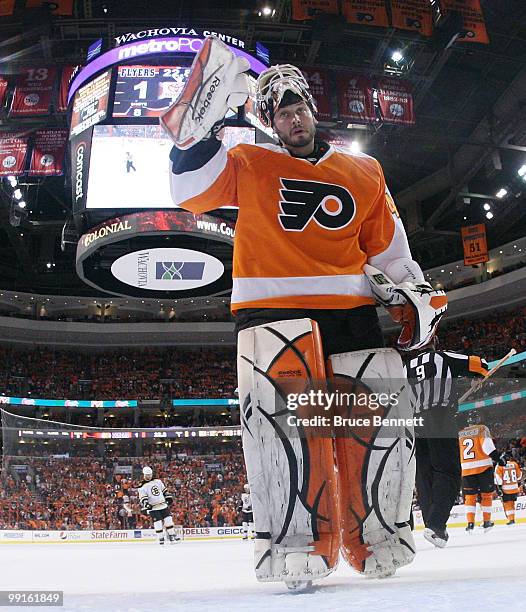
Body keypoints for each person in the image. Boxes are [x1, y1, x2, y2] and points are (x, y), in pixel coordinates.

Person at [162, 37, 447, 589]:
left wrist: (414, 294)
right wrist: (195, 139)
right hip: (270, 313)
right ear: (269, 122)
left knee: (378, 423)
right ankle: (296, 545)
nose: (294, 119)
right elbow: (189, 192)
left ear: (312, 111)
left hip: (352, 313)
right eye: (282, 112)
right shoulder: (246, 162)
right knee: (282, 432)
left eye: (299, 108)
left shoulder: (364, 171)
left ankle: (380, 534)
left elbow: (389, 248)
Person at [405, 346, 489, 548]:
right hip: (440, 416)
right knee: (448, 470)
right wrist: (476, 377)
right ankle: (436, 525)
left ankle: (430, 522)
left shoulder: (406, 366)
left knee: (425, 473)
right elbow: (481, 364)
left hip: (415, 421)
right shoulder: (441, 357)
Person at [458, 420, 505, 532]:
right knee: (486, 495)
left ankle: (470, 523)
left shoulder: (459, 433)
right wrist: (499, 459)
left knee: (470, 497)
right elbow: (487, 446)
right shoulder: (482, 428)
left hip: (466, 469)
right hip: (483, 467)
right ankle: (487, 522)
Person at [138, 466, 180, 545]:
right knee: (157, 523)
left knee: (169, 520)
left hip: (163, 505)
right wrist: (146, 504)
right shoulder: (142, 486)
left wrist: (168, 497)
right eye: (147, 475)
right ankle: (160, 538)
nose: (149, 476)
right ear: (144, 475)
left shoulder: (158, 481)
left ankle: (172, 535)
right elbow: (143, 498)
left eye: (150, 474)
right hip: (153, 508)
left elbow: (164, 491)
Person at [495, 452, 523, 525]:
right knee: (512, 504)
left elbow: (499, 480)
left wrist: (499, 489)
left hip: (506, 489)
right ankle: (512, 519)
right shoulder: (514, 464)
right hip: (514, 488)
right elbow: (519, 476)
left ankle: (511, 520)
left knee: (507, 504)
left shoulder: (499, 466)